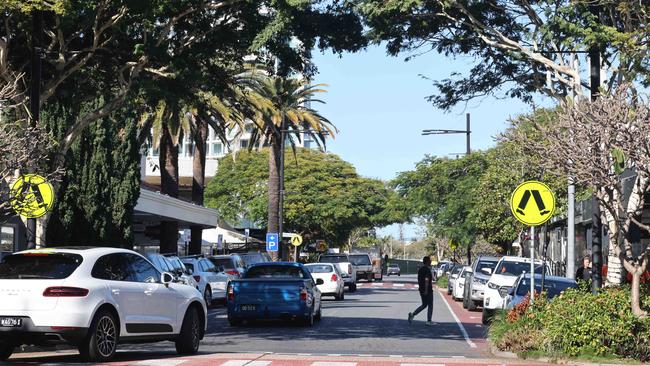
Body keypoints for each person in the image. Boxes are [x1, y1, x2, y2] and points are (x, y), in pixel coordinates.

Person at [408, 256, 434, 325]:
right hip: (427, 290)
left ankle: (413, 314)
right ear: (427, 261)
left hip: (421, 289)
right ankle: (429, 320)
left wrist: (421, 288)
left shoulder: (420, 269)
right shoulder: (427, 270)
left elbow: (419, 279)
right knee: (430, 304)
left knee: (424, 304)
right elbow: (426, 280)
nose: (431, 262)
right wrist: (426, 290)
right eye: (430, 260)